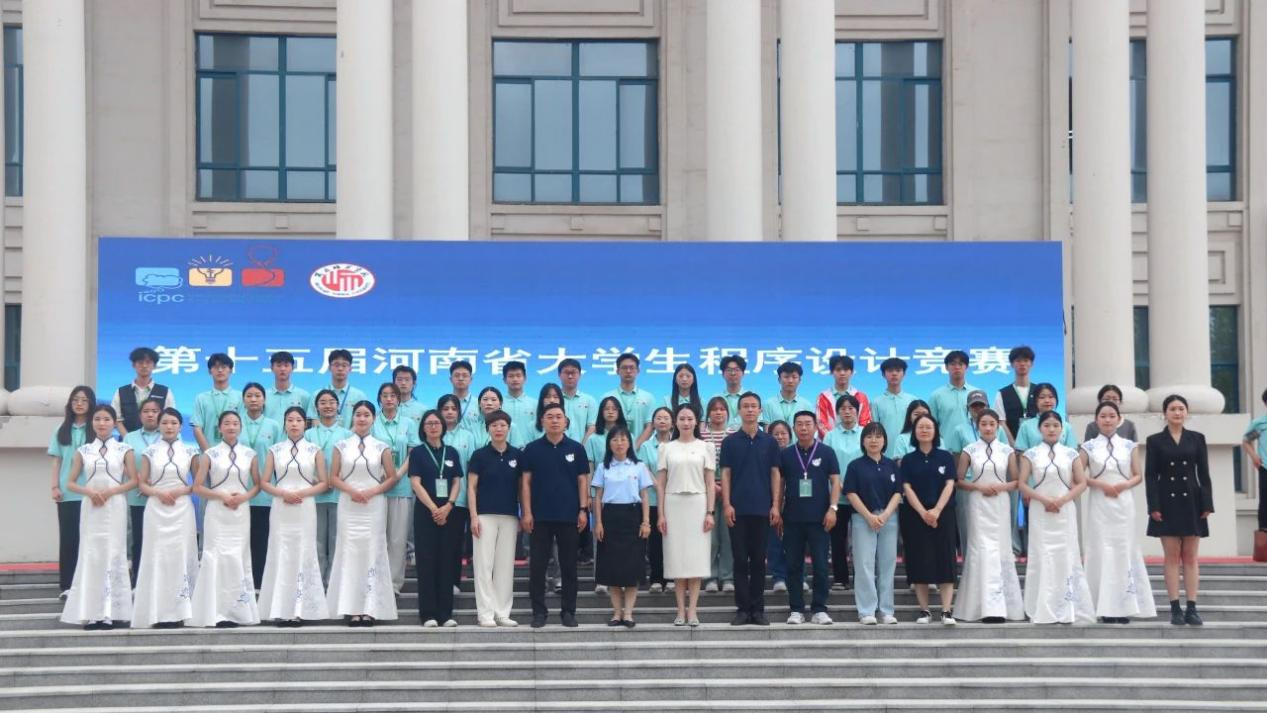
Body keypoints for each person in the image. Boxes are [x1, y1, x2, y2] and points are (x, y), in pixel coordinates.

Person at [59, 404, 137, 630]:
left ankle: (113, 612)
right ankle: (92, 613)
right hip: (92, 507)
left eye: (106, 419)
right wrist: (90, 492)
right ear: (92, 423)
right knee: (92, 554)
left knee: (113, 553)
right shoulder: (84, 450)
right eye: (97, 419)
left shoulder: (124, 449)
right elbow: (70, 482)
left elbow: (134, 480)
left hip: (114, 505)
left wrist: (111, 492)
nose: (101, 423)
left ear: (114, 423)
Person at [1080, 400, 1156, 623]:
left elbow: (1138, 475)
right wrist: (1100, 484)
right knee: (1101, 550)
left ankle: (1124, 606)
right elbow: (1079, 475)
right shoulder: (1088, 447)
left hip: (1123, 503)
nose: (1107, 420)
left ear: (1119, 419)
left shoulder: (1129, 445)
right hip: (1100, 502)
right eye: (1103, 416)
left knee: (1124, 550)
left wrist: (1124, 485)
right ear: (1096, 420)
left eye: (1112, 416)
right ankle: (1103, 606)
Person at [1018, 411, 1094, 625]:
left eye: (1055, 425)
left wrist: (1062, 500)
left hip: (1064, 510)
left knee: (1066, 554)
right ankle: (1041, 606)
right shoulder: (1030, 454)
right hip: (1040, 510)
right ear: (1039, 429)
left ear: (1062, 429)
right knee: (1042, 555)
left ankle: (1067, 605)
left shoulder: (1071, 454)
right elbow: (1022, 483)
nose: (1051, 429)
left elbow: (1081, 482)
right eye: (1047, 425)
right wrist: (1043, 499)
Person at [327, 401, 399, 626]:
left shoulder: (382, 447)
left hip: (373, 504)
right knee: (349, 552)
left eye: (366, 415)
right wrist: (352, 491)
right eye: (358, 414)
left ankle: (370, 607)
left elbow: (392, 477)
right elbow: (333, 477)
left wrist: (371, 492)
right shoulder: (341, 446)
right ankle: (351, 608)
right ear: (352, 417)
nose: (362, 419)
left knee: (372, 551)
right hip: (349, 504)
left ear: (373, 419)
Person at [257, 406, 330, 626]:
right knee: (281, 553)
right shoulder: (275, 450)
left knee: (303, 553)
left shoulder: (315, 450)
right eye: (290, 420)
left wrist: (301, 494)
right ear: (284, 423)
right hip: (281, 507)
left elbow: (324, 482)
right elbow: (264, 482)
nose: (294, 424)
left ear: (305, 424)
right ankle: (280, 609)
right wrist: (283, 494)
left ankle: (301, 609)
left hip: (305, 507)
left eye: (298, 420)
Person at [1146, 394, 1214, 626]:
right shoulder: (1155, 441)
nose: (1177, 412)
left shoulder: (1197, 438)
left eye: (1181, 408)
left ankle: (1192, 608)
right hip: (1166, 501)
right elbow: (1151, 476)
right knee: (1172, 556)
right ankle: (1175, 608)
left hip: (1192, 500)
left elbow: (1203, 473)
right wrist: (1153, 506)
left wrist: (1207, 503)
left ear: (1187, 412)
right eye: (1172, 409)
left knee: (1191, 557)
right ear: (1164, 413)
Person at [521, 404, 590, 628]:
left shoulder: (576, 449)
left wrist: (583, 509)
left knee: (569, 566)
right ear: (542, 421)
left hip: (569, 516)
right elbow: (526, 483)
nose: (554, 421)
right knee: (537, 567)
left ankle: (568, 611)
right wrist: (527, 512)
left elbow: (582, 480)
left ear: (566, 421)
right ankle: (538, 612)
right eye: (549, 417)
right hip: (539, 517)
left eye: (559, 417)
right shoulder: (532, 449)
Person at [190, 410, 261, 628]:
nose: (231, 427)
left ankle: (238, 611)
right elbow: (198, 487)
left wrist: (243, 497)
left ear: (241, 427)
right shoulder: (210, 454)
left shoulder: (250, 454)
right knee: (216, 557)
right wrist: (221, 496)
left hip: (240, 512)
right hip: (217, 511)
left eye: (235, 423)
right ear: (219, 428)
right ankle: (215, 612)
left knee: (238, 556)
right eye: (227, 423)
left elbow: (258, 485)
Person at [131, 407, 199, 629]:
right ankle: (157, 612)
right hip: (157, 509)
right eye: (165, 423)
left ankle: (181, 612)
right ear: (158, 426)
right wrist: (158, 493)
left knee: (181, 556)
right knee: (157, 557)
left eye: (173, 423)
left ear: (180, 426)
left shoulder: (190, 451)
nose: (169, 427)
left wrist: (180, 491)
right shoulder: (150, 452)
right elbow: (142, 483)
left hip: (181, 508)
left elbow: (198, 483)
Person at [955, 409, 1024, 623]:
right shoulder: (969, 450)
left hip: (1000, 502)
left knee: (1001, 549)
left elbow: (1016, 481)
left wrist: (1000, 487)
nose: (987, 428)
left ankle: (1002, 607)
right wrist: (978, 487)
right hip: (978, 503)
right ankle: (978, 607)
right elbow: (959, 480)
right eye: (983, 424)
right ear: (977, 426)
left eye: (991, 424)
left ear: (997, 426)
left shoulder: (1007, 451)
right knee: (979, 549)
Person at [720, 392, 781, 626]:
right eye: (745, 406)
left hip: (763, 509)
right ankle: (742, 609)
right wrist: (727, 504)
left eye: (754, 406)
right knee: (739, 561)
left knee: (758, 561)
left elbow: (775, 474)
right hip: (737, 509)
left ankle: (758, 609)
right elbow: (726, 474)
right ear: (738, 411)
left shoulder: (770, 442)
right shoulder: (730, 442)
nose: (749, 410)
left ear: (760, 411)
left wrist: (775, 505)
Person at [655, 404, 716, 627]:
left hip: (698, 504)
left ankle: (693, 610)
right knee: (677, 560)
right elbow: (660, 485)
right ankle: (680, 610)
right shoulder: (666, 448)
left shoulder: (706, 447)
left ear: (696, 421)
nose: (686, 422)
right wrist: (661, 514)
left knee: (695, 561)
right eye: (682, 418)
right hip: (673, 504)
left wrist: (710, 512)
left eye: (690, 418)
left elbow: (710, 483)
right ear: (675, 422)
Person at [779, 411, 841, 625]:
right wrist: (777, 509)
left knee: (821, 566)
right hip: (792, 519)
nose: (804, 428)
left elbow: (836, 481)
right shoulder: (786, 454)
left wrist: (833, 508)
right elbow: (780, 484)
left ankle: (819, 609)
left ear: (815, 427)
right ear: (794, 428)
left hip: (820, 519)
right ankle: (796, 609)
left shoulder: (826, 452)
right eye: (799, 424)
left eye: (808, 424)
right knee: (793, 566)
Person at [898, 413, 959, 625]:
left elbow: (950, 484)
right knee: (919, 560)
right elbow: (906, 487)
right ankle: (924, 610)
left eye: (928, 427)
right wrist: (923, 512)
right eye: (920, 427)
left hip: (943, 515)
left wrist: (936, 511)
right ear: (914, 432)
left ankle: (946, 611)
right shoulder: (908, 459)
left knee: (946, 559)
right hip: (915, 516)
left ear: (935, 431)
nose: (924, 430)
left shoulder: (945, 457)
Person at [408, 409, 465, 627]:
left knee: (447, 561)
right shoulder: (418, 453)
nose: (433, 427)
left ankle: (445, 614)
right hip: (425, 512)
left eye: (436, 423)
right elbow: (415, 483)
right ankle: (428, 614)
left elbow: (457, 481)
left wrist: (449, 505)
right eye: (429, 423)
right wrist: (434, 508)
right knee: (427, 561)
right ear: (423, 428)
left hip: (449, 513)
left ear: (443, 426)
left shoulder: (452, 452)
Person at [593, 426, 654, 627]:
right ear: (609, 443)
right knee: (612, 569)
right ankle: (616, 613)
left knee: (631, 569)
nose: (619, 443)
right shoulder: (603, 467)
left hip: (633, 517)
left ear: (629, 443)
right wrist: (598, 522)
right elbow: (598, 497)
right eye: (615, 439)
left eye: (623, 439)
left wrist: (646, 521)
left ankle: (628, 613)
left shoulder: (638, 466)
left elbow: (645, 495)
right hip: (610, 518)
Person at [467, 410, 523, 627]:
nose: (498, 429)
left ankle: (502, 612)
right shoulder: (479, 455)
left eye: (502, 425)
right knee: (484, 565)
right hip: (484, 515)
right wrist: (473, 516)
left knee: (505, 566)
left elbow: (521, 488)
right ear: (488, 429)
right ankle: (485, 614)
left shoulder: (517, 455)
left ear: (509, 428)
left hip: (509, 516)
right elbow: (471, 488)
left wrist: (522, 514)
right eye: (494, 426)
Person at [843, 422, 902, 625]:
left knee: (887, 564)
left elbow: (898, 492)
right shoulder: (855, 466)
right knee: (864, 564)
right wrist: (869, 516)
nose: (873, 440)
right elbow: (851, 493)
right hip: (862, 518)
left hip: (888, 518)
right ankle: (866, 610)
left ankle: (886, 610)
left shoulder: (891, 465)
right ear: (863, 441)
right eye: (869, 436)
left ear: (885, 440)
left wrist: (885, 515)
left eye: (878, 436)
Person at [372, 382, 420, 594]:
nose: (389, 399)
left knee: (398, 539)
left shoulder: (408, 423)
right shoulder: (373, 422)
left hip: (401, 486)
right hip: (376, 487)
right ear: (379, 399)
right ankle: (375, 582)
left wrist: (397, 475)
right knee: (376, 537)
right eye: (385, 395)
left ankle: (393, 584)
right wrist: (381, 474)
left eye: (393, 395)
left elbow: (412, 452)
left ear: (399, 399)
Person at [50, 386, 94, 599]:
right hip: (67, 494)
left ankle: (88, 583)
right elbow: (56, 461)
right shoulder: (62, 429)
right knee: (68, 539)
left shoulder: (96, 428)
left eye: (84, 400)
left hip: (91, 493)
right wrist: (54, 486)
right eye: (75, 400)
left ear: (91, 404)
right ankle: (67, 585)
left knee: (90, 539)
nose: (79, 404)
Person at [304, 389, 351, 585]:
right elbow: (302, 462)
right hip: (314, 494)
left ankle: (333, 581)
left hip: (339, 494)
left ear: (338, 406)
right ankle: (317, 581)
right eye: (323, 402)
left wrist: (335, 480)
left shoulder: (347, 434)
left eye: (332, 402)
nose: (328, 406)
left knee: (336, 538)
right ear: (316, 407)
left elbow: (351, 463)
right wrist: (317, 480)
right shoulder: (308, 434)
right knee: (316, 539)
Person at [240, 382, 283, 590]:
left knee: (263, 539)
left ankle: (260, 583)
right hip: (239, 492)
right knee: (241, 540)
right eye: (249, 395)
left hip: (266, 493)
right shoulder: (235, 423)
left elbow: (281, 458)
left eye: (258, 395)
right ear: (243, 400)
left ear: (264, 400)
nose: (254, 399)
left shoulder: (274, 426)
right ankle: (241, 582)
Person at [822, 393, 863, 590]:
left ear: (857, 411)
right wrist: (839, 485)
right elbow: (827, 465)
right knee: (837, 539)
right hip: (836, 496)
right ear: (837, 412)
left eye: (851, 408)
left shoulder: (865, 433)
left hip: (861, 496)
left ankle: (861, 577)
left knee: (861, 540)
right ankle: (840, 578)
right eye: (843, 409)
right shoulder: (830, 436)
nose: (847, 412)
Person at [122, 397, 163, 587]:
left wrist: (154, 484)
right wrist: (140, 481)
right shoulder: (130, 438)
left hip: (162, 496)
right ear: (140, 415)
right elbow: (123, 463)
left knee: (160, 540)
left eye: (154, 411)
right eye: (146, 411)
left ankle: (159, 581)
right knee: (138, 539)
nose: (150, 415)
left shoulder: (169, 435)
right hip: (136, 495)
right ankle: (138, 581)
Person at [438, 394, 477, 590]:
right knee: (437, 543)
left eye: (453, 409)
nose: (450, 412)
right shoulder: (433, 433)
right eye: (445, 409)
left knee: (455, 542)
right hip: (434, 499)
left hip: (459, 499)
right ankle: (437, 581)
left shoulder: (467, 436)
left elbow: (471, 468)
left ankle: (453, 581)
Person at [636, 407, 674, 592]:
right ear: (653, 423)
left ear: (672, 422)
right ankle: (656, 578)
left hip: (674, 500)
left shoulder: (678, 444)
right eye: (658, 418)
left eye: (666, 418)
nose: (662, 421)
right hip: (651, 500)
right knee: (655, 541)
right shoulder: (645, 446)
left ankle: (673, 577)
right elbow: (643, 468)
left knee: (673, 540)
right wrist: (658, 485)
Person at [700, 397, 735, 593]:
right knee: (710, 538)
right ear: (708, 413)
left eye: (722, 409)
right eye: (714, 409)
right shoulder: (700, 436)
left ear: (728, 413)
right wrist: (712, 485)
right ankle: (710, 577)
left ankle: (727, 577)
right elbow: (696, 465)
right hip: (706, 491)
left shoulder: (734, 434)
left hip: (731, 493)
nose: (718, 412)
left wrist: (726, 487)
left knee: (728, 537)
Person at [111, 346, 175, 436]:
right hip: (127, 441)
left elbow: (170, 418)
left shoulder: (165, 391)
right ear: (133, 365)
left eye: (148, 362)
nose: (144, 366)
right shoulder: (121, 392)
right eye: (140, 362)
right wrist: (129, 439)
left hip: (157, 441)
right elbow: (117, 420)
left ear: (154, 366)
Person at [764, 419, 794, 593]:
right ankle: (779, 577)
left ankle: (797, 577)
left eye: (784, 433)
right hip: (771, 504)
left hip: (794, 505)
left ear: (790, 436)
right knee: (774, 542)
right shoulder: (765, 455)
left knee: (794, 543)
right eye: (776, 434)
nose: (780, 437)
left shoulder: (796, 454)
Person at [190, 352, 243, 451]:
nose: (220, 370)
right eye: (215, 367)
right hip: (208, 452)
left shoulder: (240, 397)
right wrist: (209, 453)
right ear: (210, 371)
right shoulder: (201, 398)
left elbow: (243, 427)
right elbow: (197, 428)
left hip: (236, 453)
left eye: (224, 367)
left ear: (231, 370)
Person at [604, 353, 659, 447]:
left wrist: (635, 447)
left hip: (640, 449)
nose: (628, 371)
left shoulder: (648, 397)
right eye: (624, 368)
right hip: (613, 449)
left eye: (632, 368)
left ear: (638, 371)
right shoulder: (607, 397)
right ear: (617, 371)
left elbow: (650, 426)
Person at [307, 349, 368, 429]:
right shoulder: (317, 395)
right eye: (336, 365)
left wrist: (347, 436)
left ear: (350, 368)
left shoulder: (359, 396)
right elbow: (314, 421)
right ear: (329, 368)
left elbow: (362, 422)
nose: (340, 369)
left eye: (344, 365)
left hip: (351, 436)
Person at [816, 354, 872, 437]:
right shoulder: (823, 397)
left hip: (857, 442)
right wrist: (833, 440)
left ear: (852, 372)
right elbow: (821, 423)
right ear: (831, 372)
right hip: (830, 442)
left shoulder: (861, 397)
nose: (842, 373)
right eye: (838, 370)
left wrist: (857, 439)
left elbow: (865, 422)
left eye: (846, 370)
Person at [871, 358, 916, 460]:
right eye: (890, 371)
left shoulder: (913, 400)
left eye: (898, 370)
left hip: (910, 453)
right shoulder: (876, 402)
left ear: (904, 374)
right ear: (883, 374)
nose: (894, 374)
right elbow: (875, 431)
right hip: (885, 455)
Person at [993, 345, 1038, 444]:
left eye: (1026, 360)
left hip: (1037, 445)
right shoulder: (1002, 393)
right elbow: (1001, 422)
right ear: (1012, 364)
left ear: (1031, 364)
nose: (1022, 364)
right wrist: (1014, 445)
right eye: (1018, 361)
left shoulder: (1039, 391)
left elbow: (1045, 418)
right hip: (1011, 446)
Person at [1013, 383, 1078, 451]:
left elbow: (1072, 453)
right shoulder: (1026, 426)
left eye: (1051, 397)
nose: (1047, 400)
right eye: (1042, 397)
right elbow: (1020, 452)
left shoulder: (1066, 426)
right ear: (1035, 401)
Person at [928, 350, 976, 439]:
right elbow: (930, 424)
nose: (957, 367)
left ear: (967, 367)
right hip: (946, 445)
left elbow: (984, 420)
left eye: (961, 364)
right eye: (953, 364)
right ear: (946, 367)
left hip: (973, 444)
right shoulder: (936, 395)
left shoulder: (976, 394)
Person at [761, 361, 814, 428]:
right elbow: (766, 431)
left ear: (799, 380)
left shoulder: (807, 405)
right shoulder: (768, 404)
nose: (790, 381)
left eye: (794, 377)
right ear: (779, 380)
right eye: (786, 377)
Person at [264, 351, 310, 425]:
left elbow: (309, 421)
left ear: (293, 368)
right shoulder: (264, 396)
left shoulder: (304, 396)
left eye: (286, 365)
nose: (282, 369)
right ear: (271, 368)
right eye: (279, 365)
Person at [1244, 388, 1267, 535]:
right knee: (1265, 501)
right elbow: (1247, 441)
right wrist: (1254, 456)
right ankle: (1264, 532)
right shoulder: (1260, 424)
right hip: (1265, 467)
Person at [558, 358, 597, 444]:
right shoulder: (554, 399)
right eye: (566, 372)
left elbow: (592, 427)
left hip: (582, 447)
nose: (570, 376)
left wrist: (581, 447)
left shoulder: (589, 400)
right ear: (559, 375)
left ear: (580, 375)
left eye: (573, 372)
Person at [501, 361, 538, 448]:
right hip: (505, 451)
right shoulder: (499, 404)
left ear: (525, 378)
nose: (515, 379)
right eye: (511, 376)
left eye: (518, 375)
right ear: (504, 380)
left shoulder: (535, 404)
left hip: (530, 449)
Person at [714, 354, 748, 429]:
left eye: (737, 370)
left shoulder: (751, 398)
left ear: (743, 373)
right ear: (723, 374)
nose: (733, 373)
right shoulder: (715, 398)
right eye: (729, 370)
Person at [448, 360, 481, 432]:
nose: (460, 378)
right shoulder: (442, 404)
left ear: (471, 379)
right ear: (450, 379)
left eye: (465, 376)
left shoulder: (479, 404)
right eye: (457, 375)